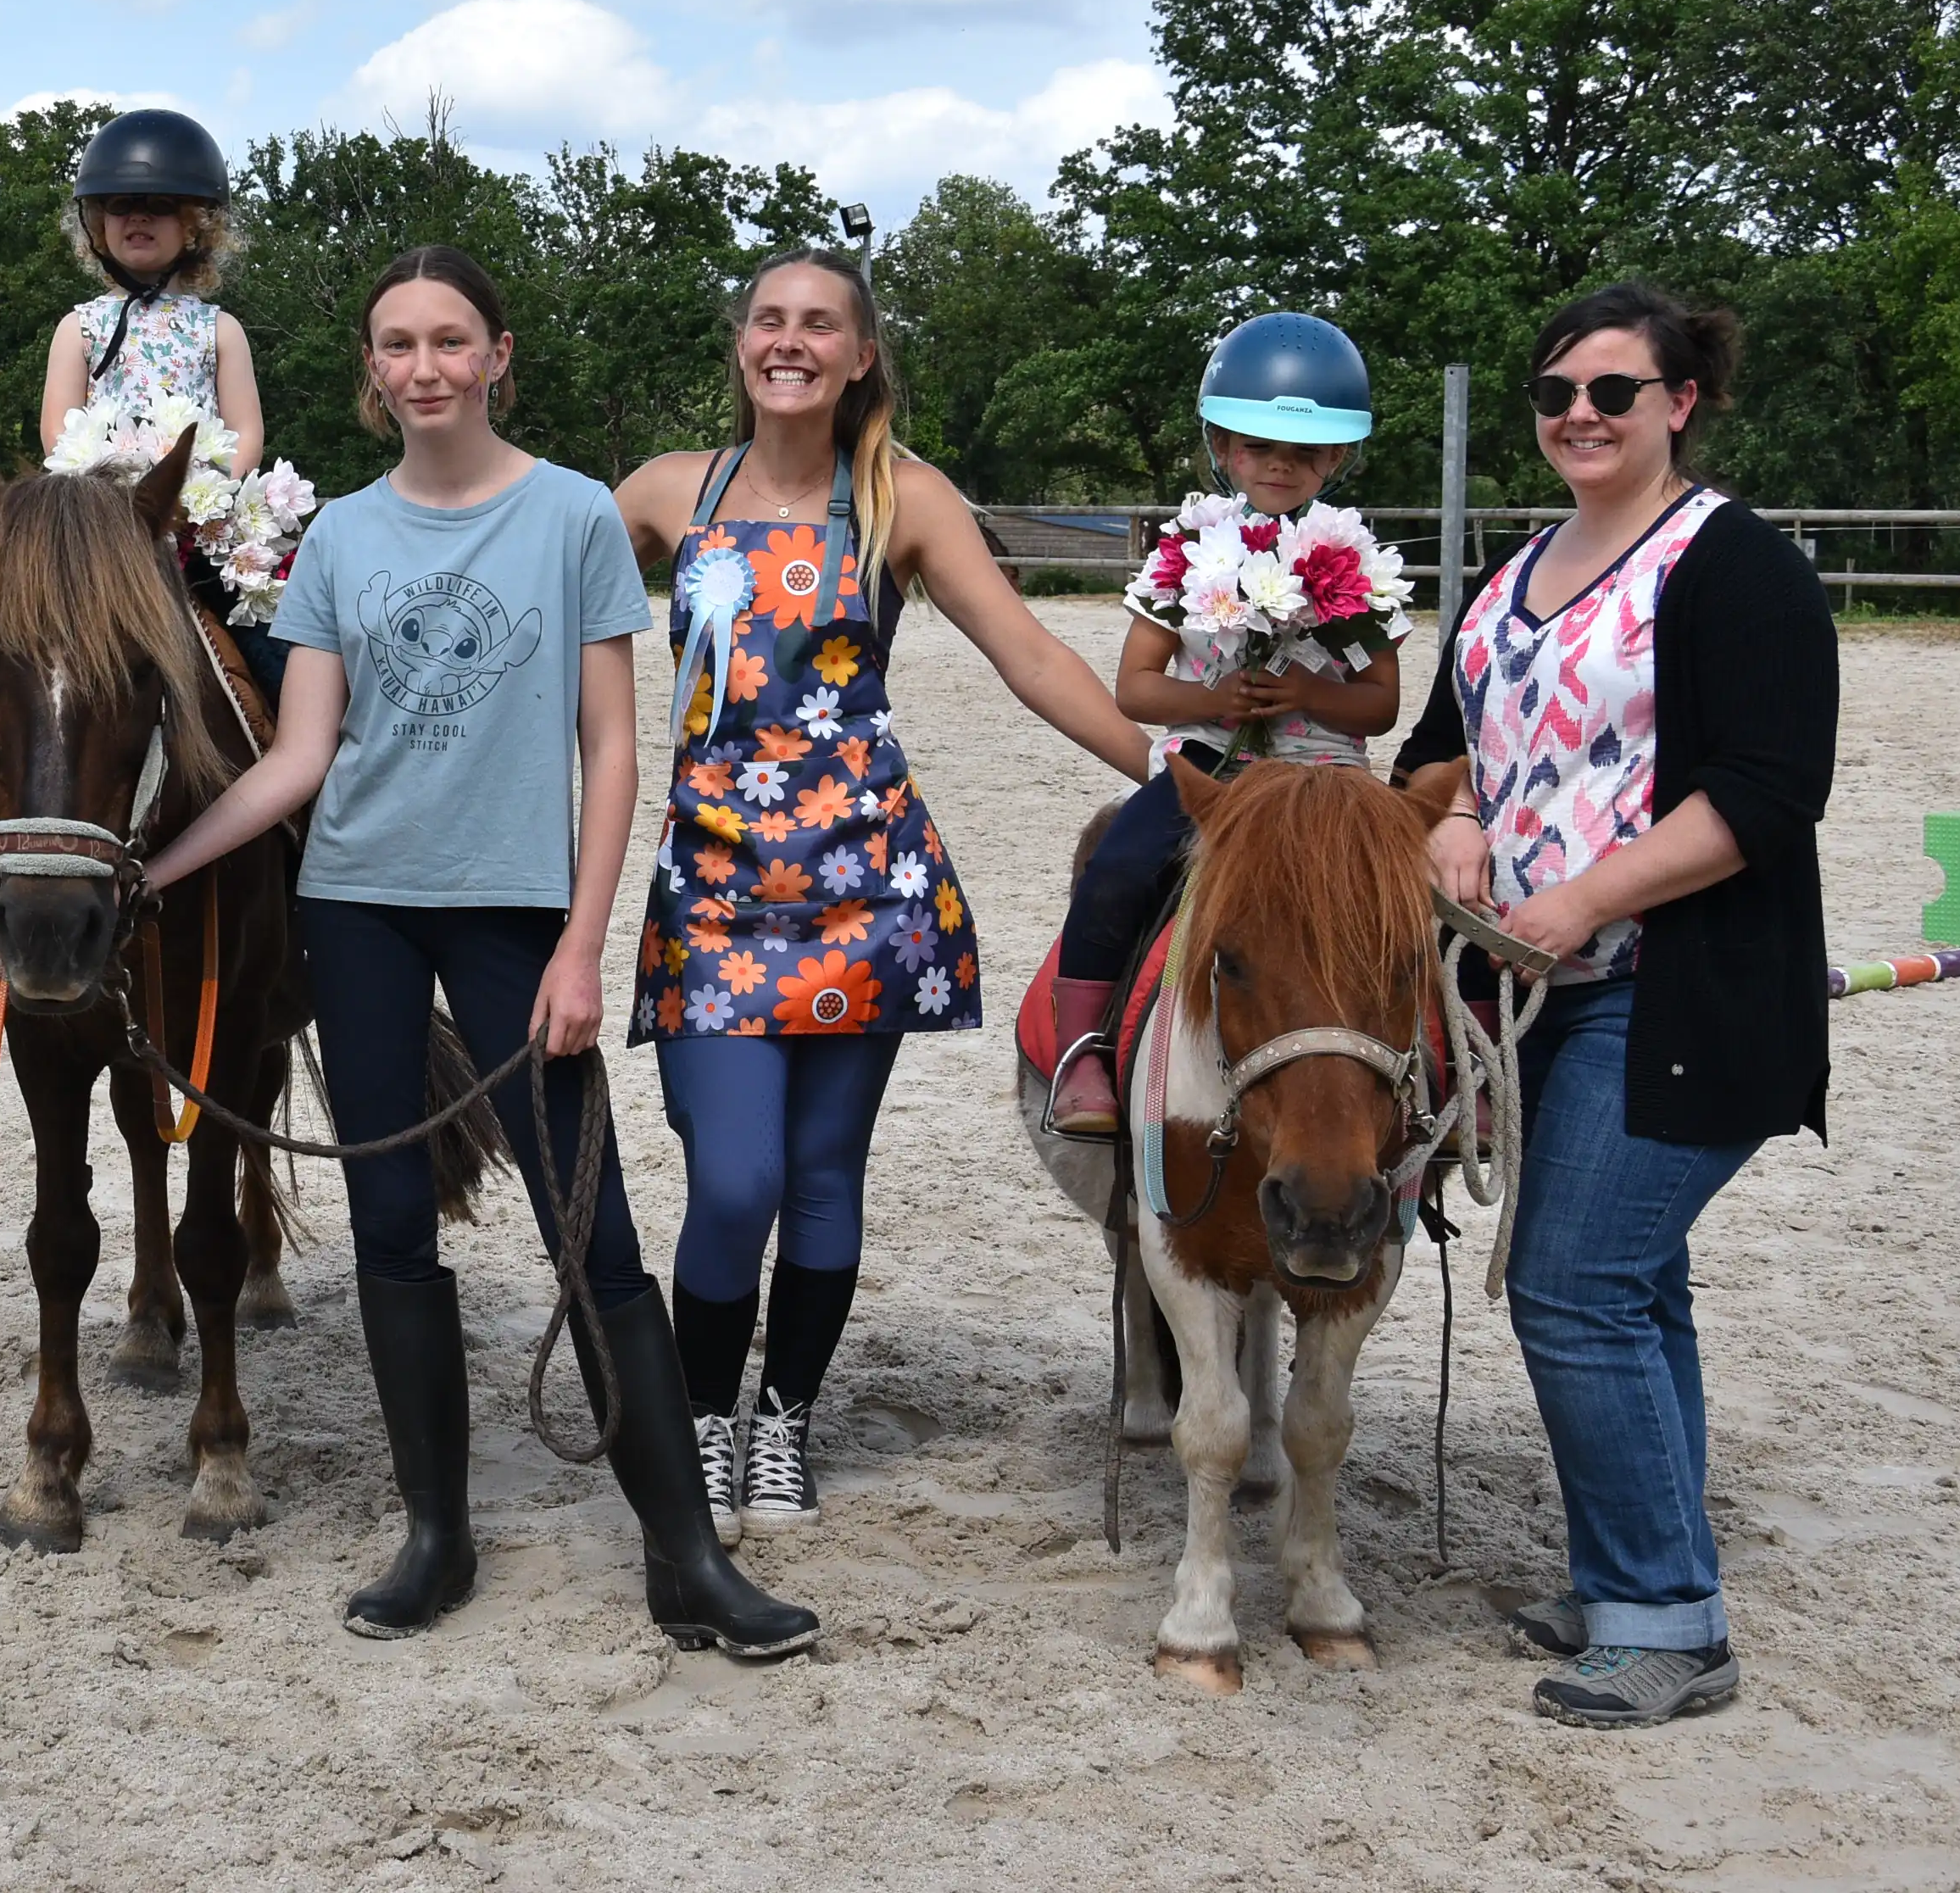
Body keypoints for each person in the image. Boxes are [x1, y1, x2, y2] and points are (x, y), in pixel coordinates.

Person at [142, 245, 819, 1656]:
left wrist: (583, 947)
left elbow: (613, 746)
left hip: (518, 913)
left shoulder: (571, 517)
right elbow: (300, 758)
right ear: (373, 372)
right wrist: (153, 871)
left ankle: (685, 1560)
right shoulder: (337, 540)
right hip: (361, 906)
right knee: (390, 1225)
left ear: (497, 355)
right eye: (398, 345)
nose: (426, 366)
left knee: (592, 1233)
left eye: (451, 340)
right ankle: (435, 1535)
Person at [615, 249, 1150, 1540]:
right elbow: (530, 586)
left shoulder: (903, 498)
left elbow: (1025, 652)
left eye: (820, 325)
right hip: (713, 890)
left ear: (860, 355)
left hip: (869, 889)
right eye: (767, 320)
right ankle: (700, 1423)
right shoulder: (665, 493)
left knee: (822, 1178)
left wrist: (1180, 777)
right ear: (740, 344)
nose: (788, 342)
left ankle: (784, 1422)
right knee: (732, 1180)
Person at [1398, 280, 1835, 1727]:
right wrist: (1447, 825)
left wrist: (1587, 896)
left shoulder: (1734, 567)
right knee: (1637, 1292)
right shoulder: (1512, 572)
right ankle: (1641, 1581)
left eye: (1612, 393)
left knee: (1572, 1286)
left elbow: (1769, 793)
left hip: (1676, 987)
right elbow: (1439, 757)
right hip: (1544, 1000)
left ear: (1680, 403)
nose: (1578, 415)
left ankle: (1670, 1627)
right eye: (1556, 395)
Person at [1044, 312, 1404, 1142]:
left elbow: (1378, 703)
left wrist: (1304, 695)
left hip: (1324, 787)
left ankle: (1444, 1066)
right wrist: (1218, 701)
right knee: (1119, 866)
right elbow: (1136, 687)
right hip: (1210, 771)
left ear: (1335, 459)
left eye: (1303, 454)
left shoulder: (1352, 566)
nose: (1278, 466)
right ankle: (1082, 1054)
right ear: (1220, 444)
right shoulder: (1182, 552)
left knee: (1408, 901)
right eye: (1254, 446)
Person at [0, 108, 270, 834]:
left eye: (158, 207)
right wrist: (104, 487)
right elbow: (59, 427)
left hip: (191, 515)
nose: (138, 219)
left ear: (197, 227)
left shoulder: (219, 329)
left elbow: (246, 428)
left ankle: (304, 763)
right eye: (120, 206)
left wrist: (201, 488)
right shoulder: (79, 325)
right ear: (96, 226)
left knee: (265, 628)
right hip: (93, 525)